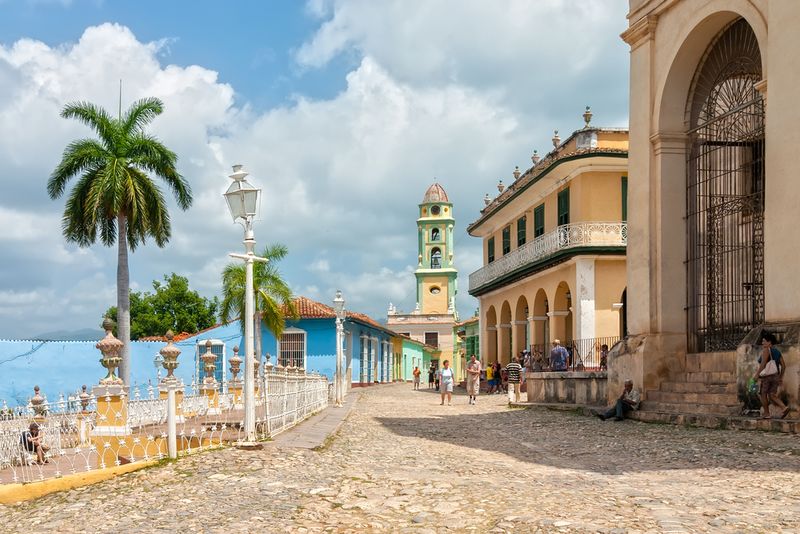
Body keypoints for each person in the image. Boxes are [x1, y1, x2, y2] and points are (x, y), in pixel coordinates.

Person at [753, 332, 790, 419]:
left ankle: (766, 413)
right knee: (772, 394)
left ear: (770, 342)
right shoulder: (777, 352)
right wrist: (780, 377)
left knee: (763, 394)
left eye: (764, 341)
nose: (762, 343)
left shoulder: (766, 350)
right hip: (776, 376)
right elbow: (783, 366)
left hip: (767, 377)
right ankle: (784, 407)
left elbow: (763, 365)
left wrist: (757, 375)